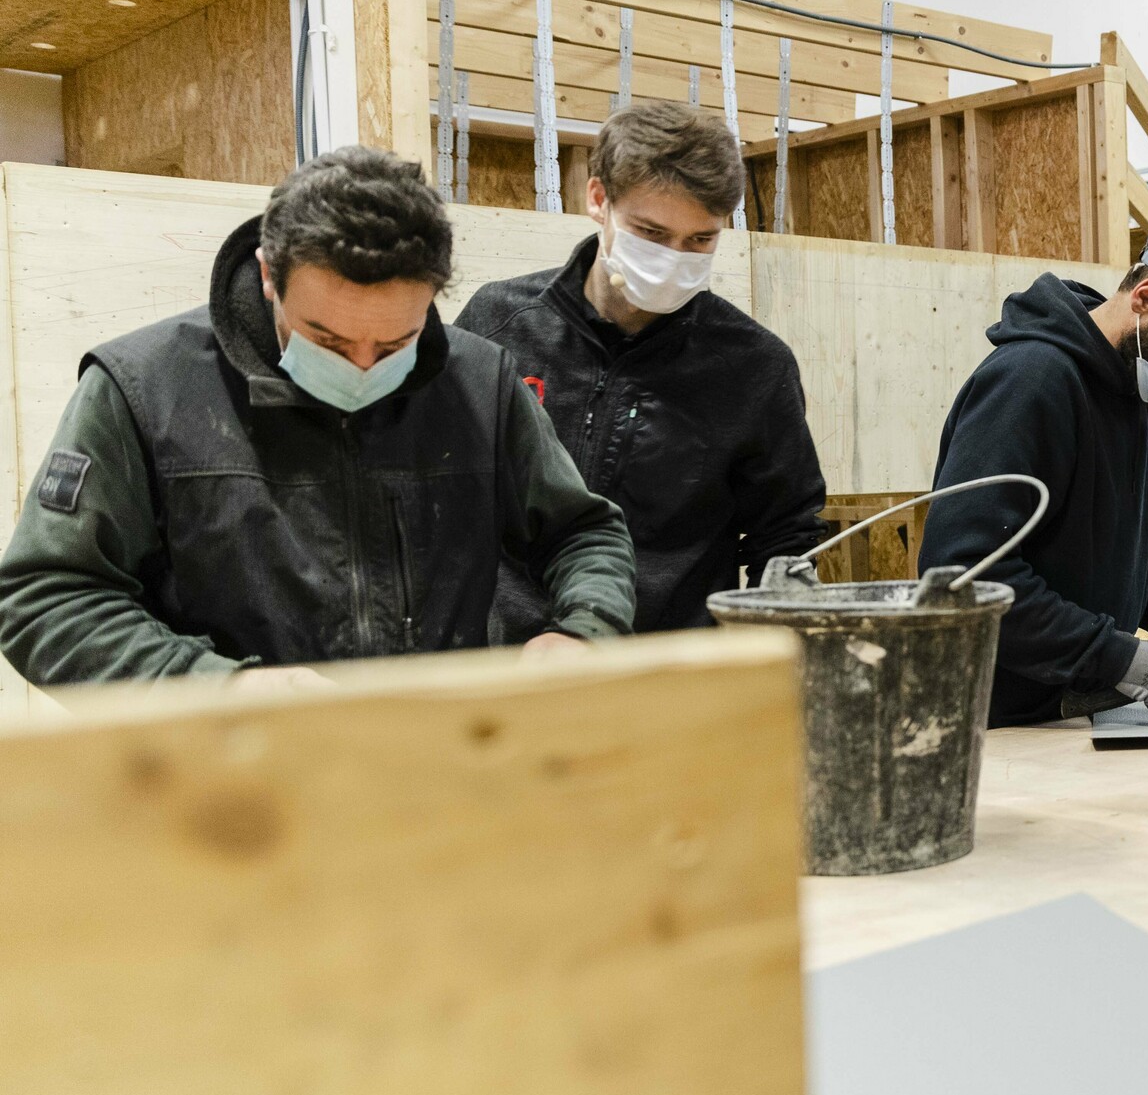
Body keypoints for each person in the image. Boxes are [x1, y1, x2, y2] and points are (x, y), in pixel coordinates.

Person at [0, 147, 636, 687]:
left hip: (432, 760)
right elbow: (45, 597)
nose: (362, 366)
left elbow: (582, 533)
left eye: (393, 345)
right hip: (223, 777)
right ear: (270, 274)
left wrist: (583, 631)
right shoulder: (142, 388)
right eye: (328, 340)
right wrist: (217, 687)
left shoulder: (479, 381)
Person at [458, 101, 825, 634]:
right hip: (509, 665)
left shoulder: (752, 366)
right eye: (651, 233)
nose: (674, 258)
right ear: (599, 198)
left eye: (700, 240)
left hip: (671, 669)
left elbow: (786, 534)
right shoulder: (498, 326)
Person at [918, 222, 1148, 726]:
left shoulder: (1137, 393)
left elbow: (1122, 553)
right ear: (1147, 298)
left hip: (1074, 711)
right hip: (1004, 723)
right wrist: (1115, 655)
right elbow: (964, 578)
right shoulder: (1029, 382)